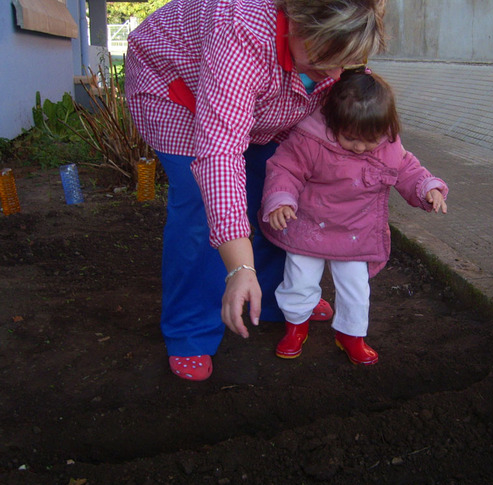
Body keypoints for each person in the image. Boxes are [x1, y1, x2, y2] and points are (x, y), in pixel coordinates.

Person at [125, 0, 386, 381]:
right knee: (201, 204)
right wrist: (239, 266)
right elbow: (220, 153)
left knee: (271, 189)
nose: (332, 73)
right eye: (322, 58)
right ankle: (191, 330)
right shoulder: (242, 29)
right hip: (177, 90)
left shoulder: (334, 47)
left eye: (341, 62)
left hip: (264, 101)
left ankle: (276, 297)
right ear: (296, 19)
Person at [259, 68, 448, 365]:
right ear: (333, 121)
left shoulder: (387, 144)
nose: (360, 147)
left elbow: (407, 168)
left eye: (369, 140)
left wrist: (428, 188)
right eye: (350, 139)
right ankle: (296, 325)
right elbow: (286, 168)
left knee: (356, 287)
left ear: (386, 128)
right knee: (299, 279)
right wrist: (282, 199)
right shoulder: (311, 139)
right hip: (309, 224)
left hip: (355, 231)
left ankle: (351, 334)